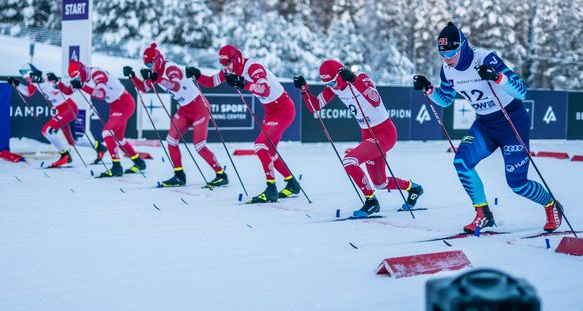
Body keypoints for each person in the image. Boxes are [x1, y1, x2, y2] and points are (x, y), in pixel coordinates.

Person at [413, 22, 562, 233]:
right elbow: (446, 99)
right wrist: (429, 89)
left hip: (512, 121)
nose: (447, 59)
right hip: (485, 124)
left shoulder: (485, 58)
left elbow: (521, 92)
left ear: (463, 46)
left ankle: (550, 204)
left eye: (452, 53)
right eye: (442, 55)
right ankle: (483, 214)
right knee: (461, 162)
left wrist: (497, 76)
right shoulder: (447, 70)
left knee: (518, 184)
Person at [293, 60, 424, 217]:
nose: (332, 86)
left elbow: (375, 100)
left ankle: (371, 202)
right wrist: (304, 89)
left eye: (333, 81)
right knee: (379, 183)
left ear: (340, 74)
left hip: (384, 132)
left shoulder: (361, 78)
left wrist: (354, 80)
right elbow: (315, 106)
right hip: (367, 133)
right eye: (327, 83)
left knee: (349, 161)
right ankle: (413, 188)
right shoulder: (335, 88)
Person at [185, 45, 300, 203]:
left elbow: (264, 90)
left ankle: (271, 189)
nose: (225, 67)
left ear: (236, 59)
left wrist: (242, 82)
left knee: (260, 146)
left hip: (283, 108)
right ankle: (292, 183)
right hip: (270, 109)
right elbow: (211, 82)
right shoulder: (229, 70)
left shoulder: (253, 68)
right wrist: (197, 75)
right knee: (270, 153)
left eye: (227, 63)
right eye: (223, 64)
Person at [124, 43, 227, 188]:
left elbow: (175, 86)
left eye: (151, 63)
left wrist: (156, 77)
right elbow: (144, 88)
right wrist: (133, 76)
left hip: (199, 107)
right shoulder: (155, 71)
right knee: (171, 141)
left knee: (199, 146)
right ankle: (179, 175)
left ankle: (221, 175)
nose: (150, 67)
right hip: (185, 109)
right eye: (147, 65)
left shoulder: (169, 68)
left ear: (158, 59)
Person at [59, 60, 147, 178]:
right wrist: (57, 81)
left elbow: (101, 94)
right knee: (119, 139)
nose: (79, 78)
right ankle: (139, 163)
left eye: (79, 76)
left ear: (83, 70)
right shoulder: (83, 79)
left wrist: (83, 86)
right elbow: (68, 91)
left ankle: (117, 167)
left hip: (124, 103)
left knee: (107, 133)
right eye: (76, 77)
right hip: (115, 105)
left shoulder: (97, 74)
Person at [8, 64, 78, 168]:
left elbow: (60, 88)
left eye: (27, 78)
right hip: (60, 110)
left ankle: (65, 155)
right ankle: (99, 147)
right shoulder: (34, 81)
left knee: (47, 130)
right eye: (26, 79)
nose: (27, 81)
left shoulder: (46, 76)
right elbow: (28, 92)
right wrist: (17, 84)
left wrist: (52, 81)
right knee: (72, 141)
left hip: (68, 108)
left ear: (32, 73)